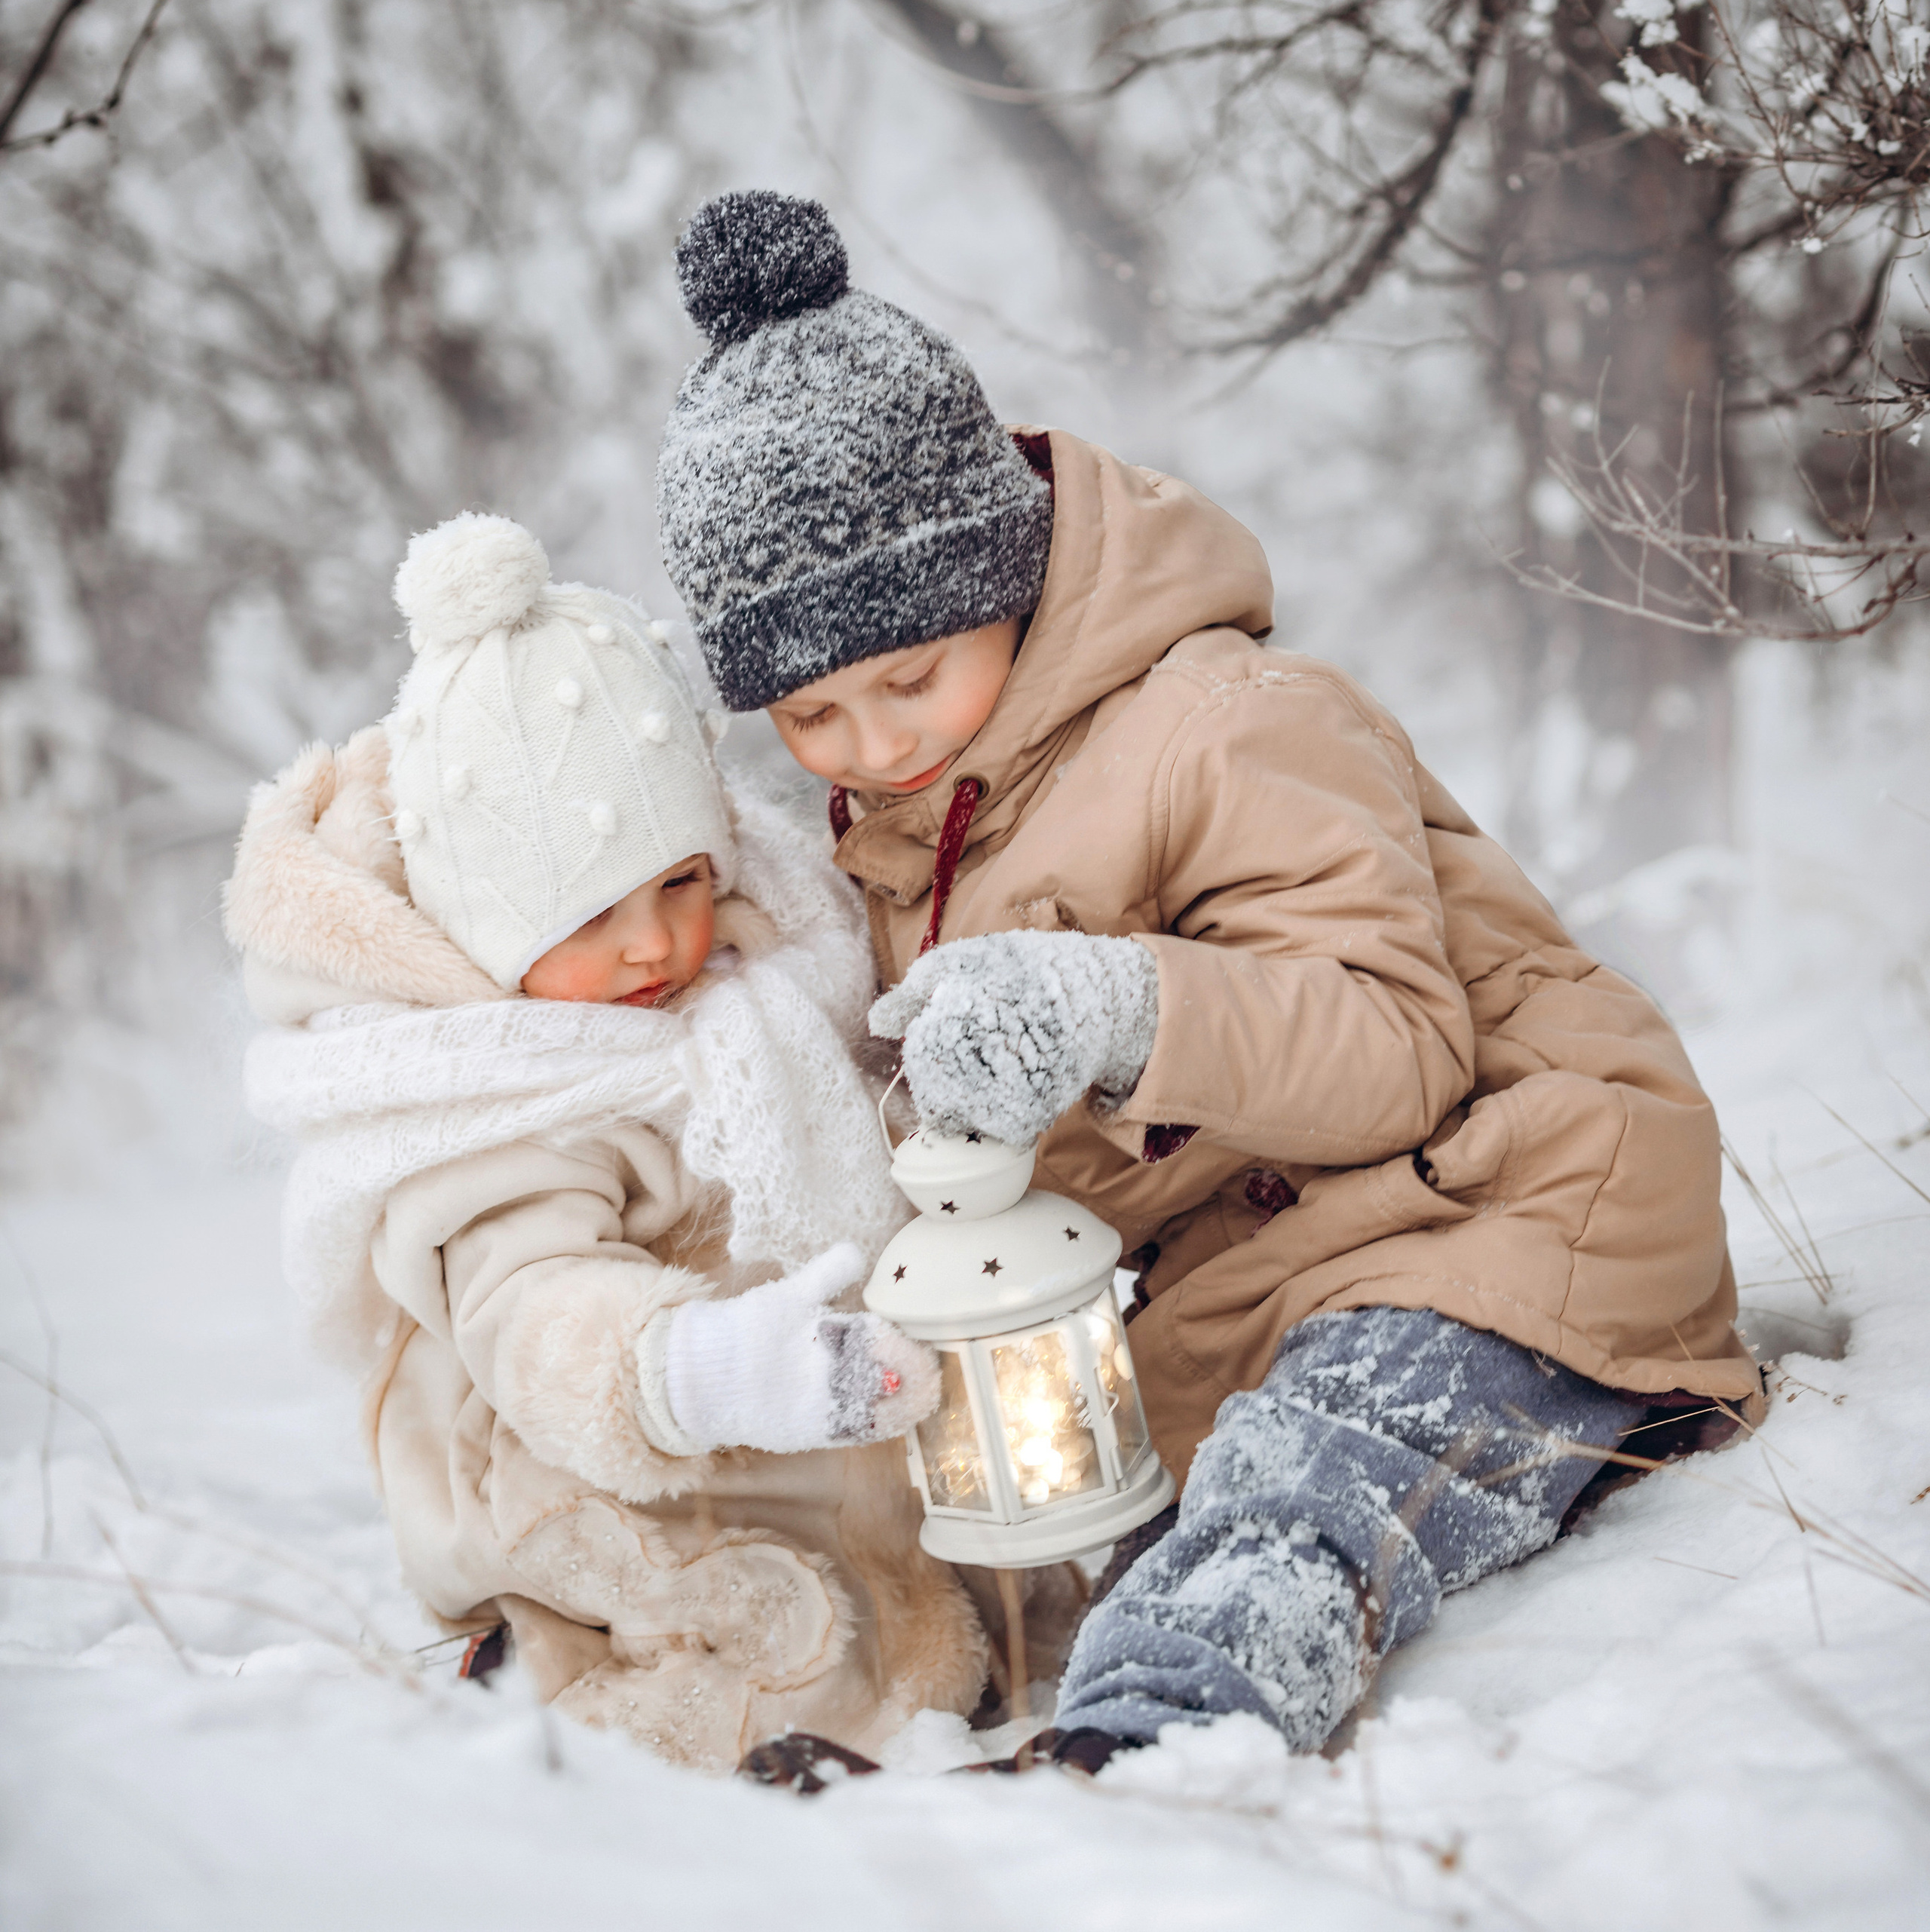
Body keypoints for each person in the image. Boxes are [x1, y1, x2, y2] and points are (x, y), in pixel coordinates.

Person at [653, 191, 1767, 1771]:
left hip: (1502, 1212)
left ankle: (1158, 1751)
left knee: (1307, 1479)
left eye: (907, 677)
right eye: (813, 719)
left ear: (1009, 570)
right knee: (1062, 1501)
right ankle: (884, 1723)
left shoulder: (1225, 715)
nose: (876, 742)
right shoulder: (896, 848)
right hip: (1253, 1298)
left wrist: (1118, 1008)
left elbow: (1391, 1045)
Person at [224, 511, 1089, 1773]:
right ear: (485, 925)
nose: (654, 943)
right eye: (594, 915)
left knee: (1001, 1605)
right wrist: (708, 1368)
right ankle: (602, 1728)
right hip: (594, 1464)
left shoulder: (770, 1000)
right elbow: (535, 1314)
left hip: (811, 1433)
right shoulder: (499, 1099)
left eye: (682, 882)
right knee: (768, 1631)